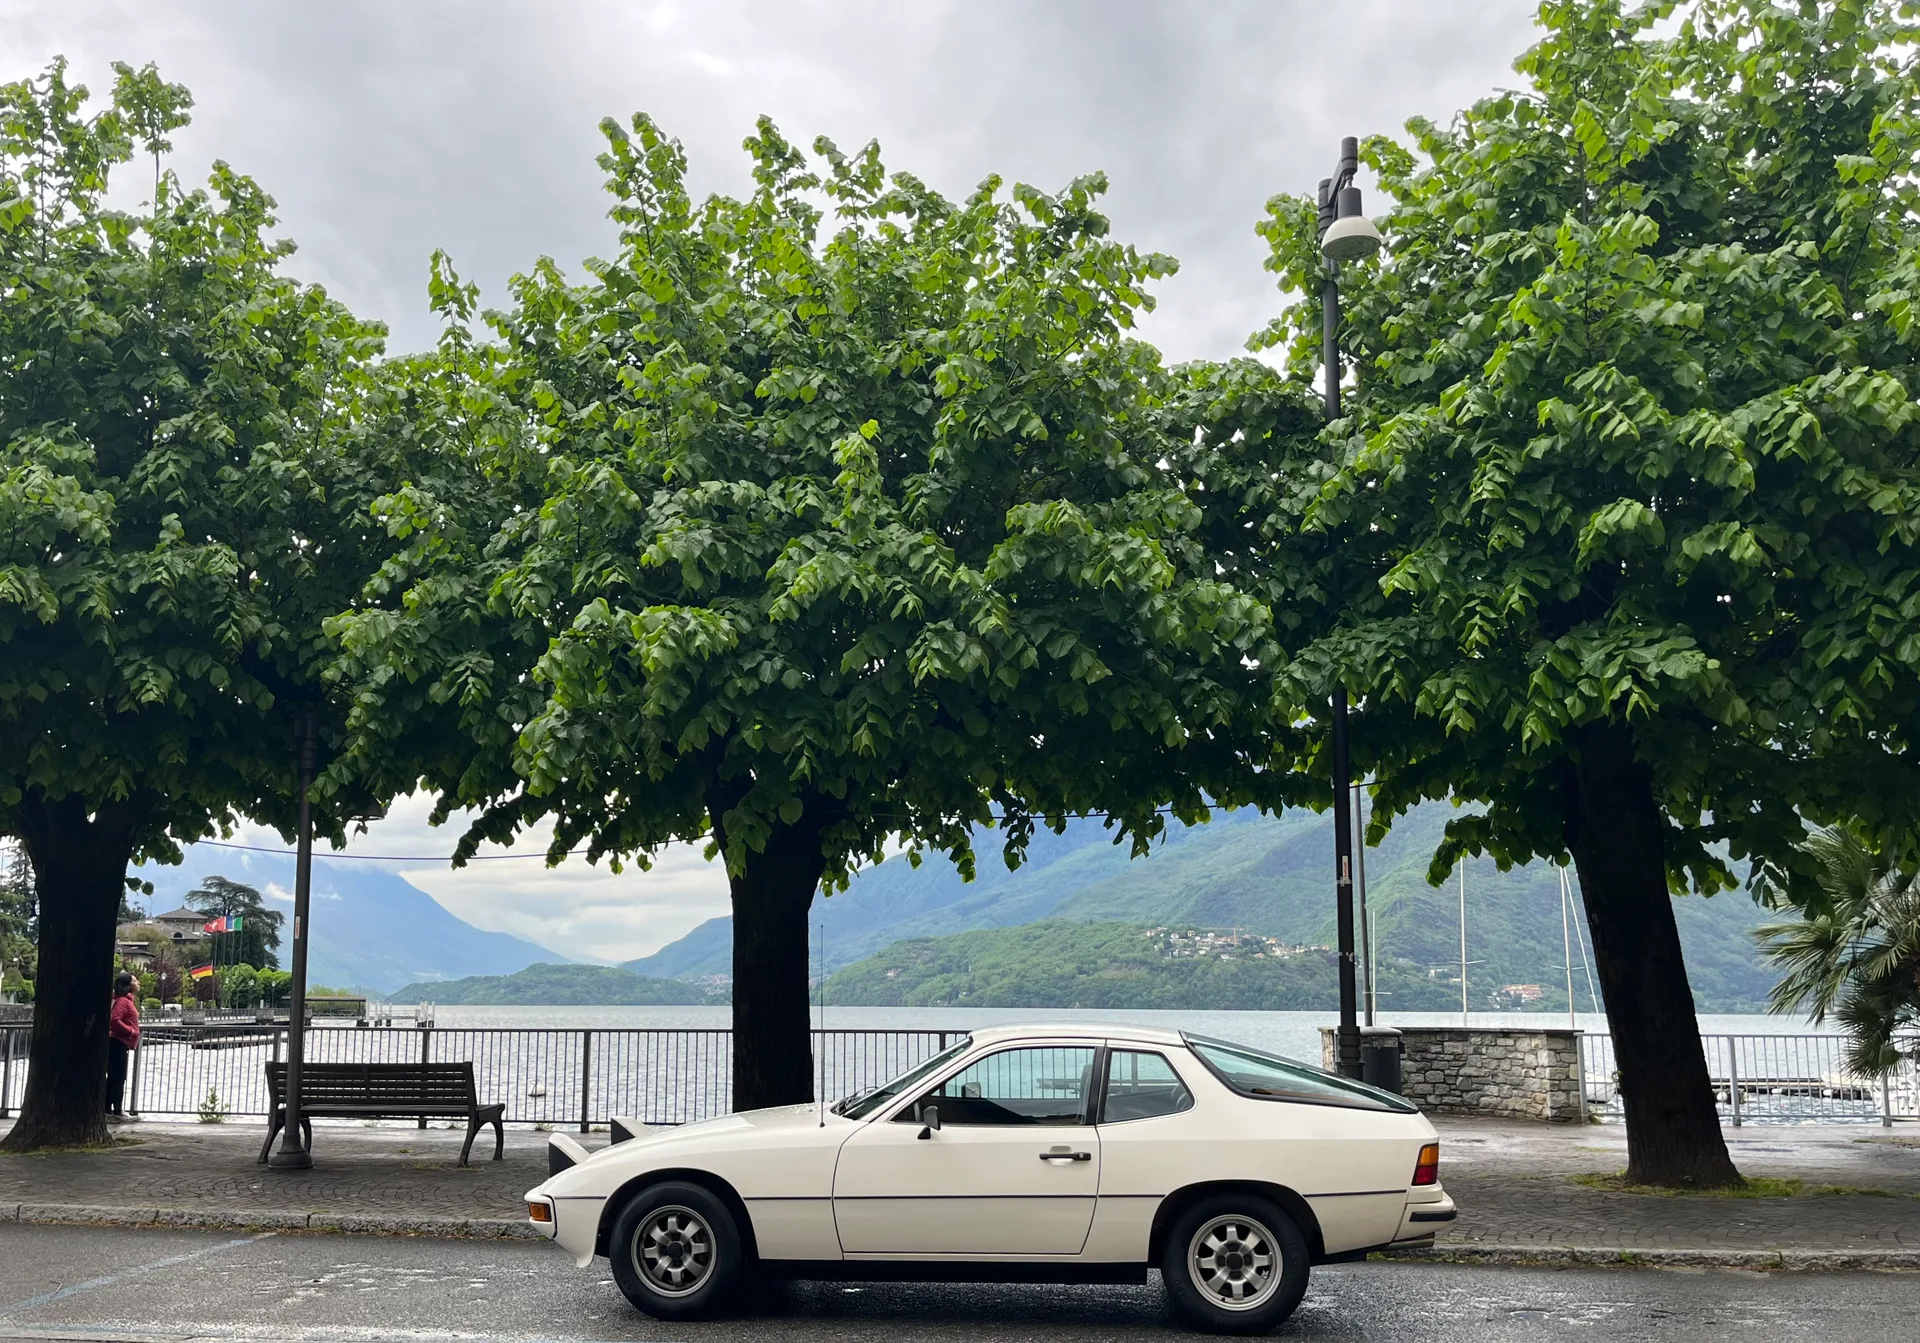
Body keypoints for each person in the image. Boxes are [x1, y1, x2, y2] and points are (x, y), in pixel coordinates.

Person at [107, 971, 140, 1120]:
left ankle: (113, 1109)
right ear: (128, 985)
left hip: (120, 1043)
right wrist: (131, 1031)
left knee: (117, 1077)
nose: (138, 983)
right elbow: (115, 1019)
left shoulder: (126, 1000)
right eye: (135, 980)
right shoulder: (123, 1001)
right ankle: (114, 1110)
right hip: (118, 1042)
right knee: (117, 1077)